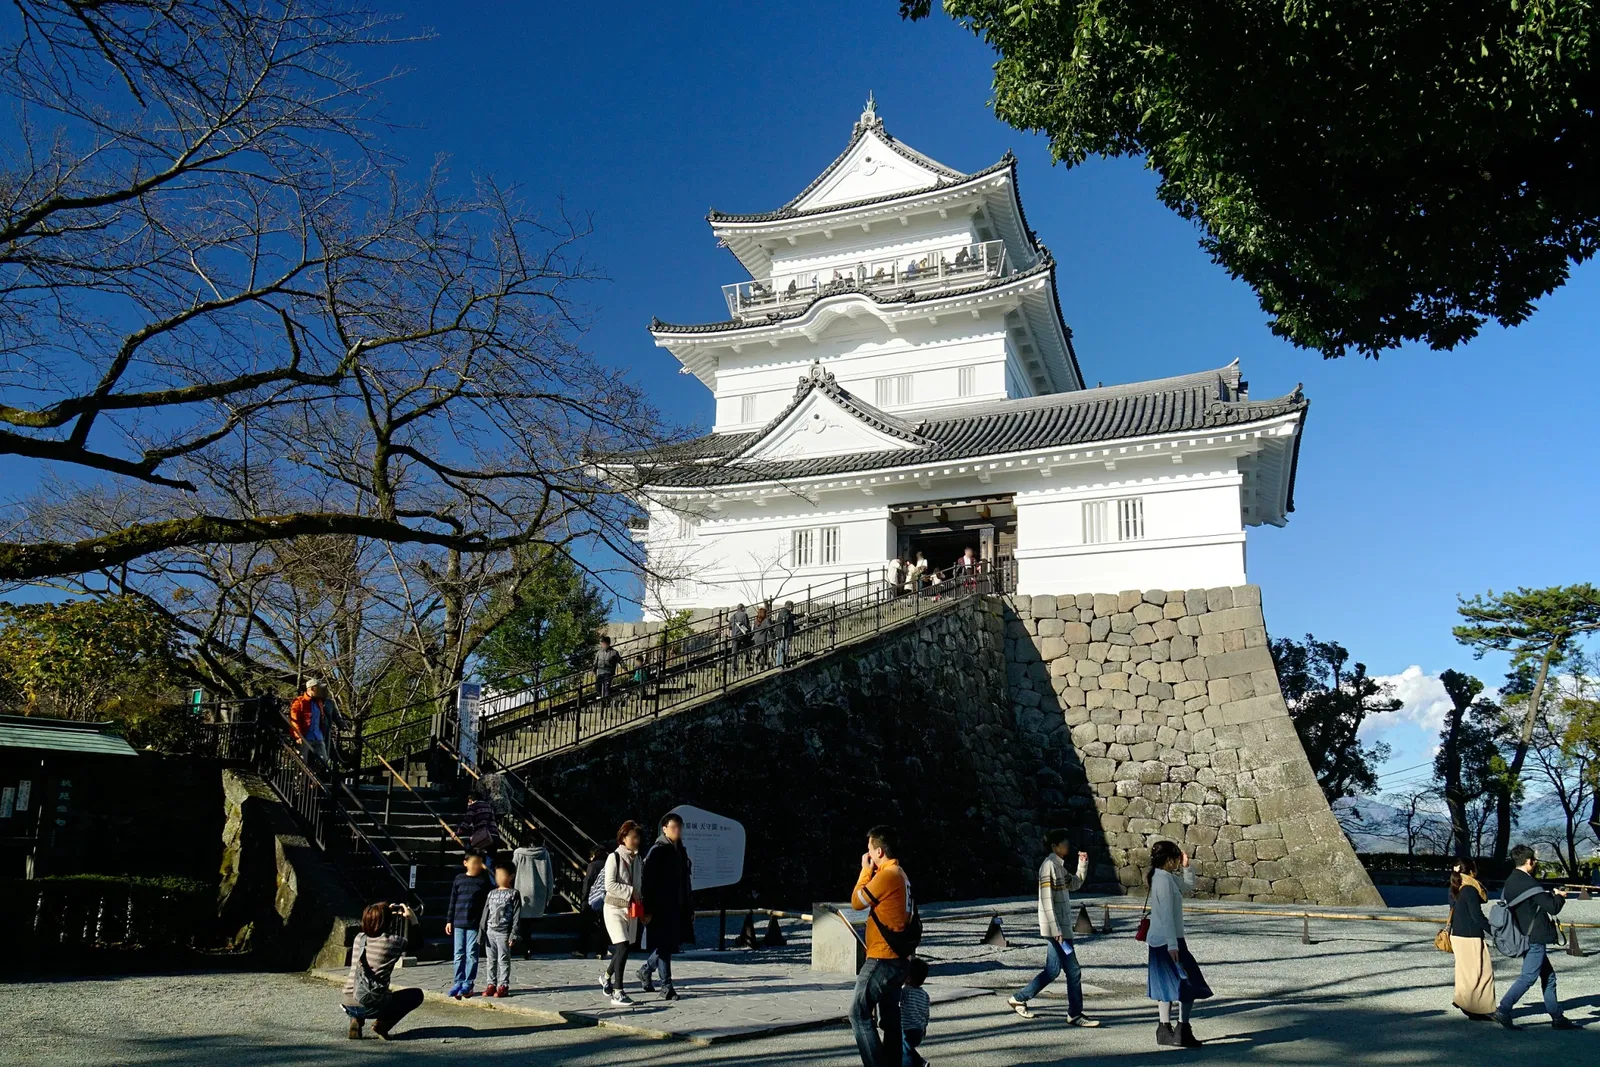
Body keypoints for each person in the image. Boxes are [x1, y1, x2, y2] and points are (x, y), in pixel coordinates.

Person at [1007, 829, 1099, 1026]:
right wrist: (1056, 929)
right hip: (1057, 930)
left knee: (1052, 970)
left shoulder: (1058, 866)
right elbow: (1046, 901)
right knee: (1073, 971)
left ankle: (1019, 997)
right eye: (1063, 843)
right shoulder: (1048, 866)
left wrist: (1082, 864)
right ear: (1054, 846)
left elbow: (1074, 884)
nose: (1067, 845)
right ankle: (1075, 1013)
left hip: (1059, 929)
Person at [849, 824, 913, 1067]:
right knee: (890, 1019)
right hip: (898, 957)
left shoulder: (887, 875)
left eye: (869, 849)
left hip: (882, 957)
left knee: (858, 1012)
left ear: (878, 852)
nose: (867, 855)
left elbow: (857, 901)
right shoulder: (901, 874)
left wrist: (865, 872)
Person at [1494, 843, 1576, 1029]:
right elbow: (1552, 907)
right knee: (1529, 976)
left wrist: (1548, 895)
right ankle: (1504, 1009)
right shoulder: (1530, 883)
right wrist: (1560, 896)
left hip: (1522, 934)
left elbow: (1530, 903)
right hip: (1535, 937)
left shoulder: (1511, 881)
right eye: (1534, 861)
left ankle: (1557, 1016)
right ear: (1529, 861)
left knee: (1549, 976)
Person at [1145, 839, 1210, 1049]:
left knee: (1164, 985)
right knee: (1187, 984)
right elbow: (1166, 916)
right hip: (1170, 941)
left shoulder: (1163, 877)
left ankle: (1164, 1028)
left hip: (1159, 941)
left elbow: (1188, 886)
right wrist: (1173, 944)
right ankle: (1183, 1029)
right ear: (1168, 859)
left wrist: (1187, 867)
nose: (1176, 863)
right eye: (1175, 859)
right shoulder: (1163, 880)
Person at [342, 901, 422, 1040]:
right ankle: (382, 1025)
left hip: (348, 1002)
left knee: (359, 986)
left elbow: (377, 933)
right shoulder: (393, 943)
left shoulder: (359, 938)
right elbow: (418, 943)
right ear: (387, 922)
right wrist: (412, 919)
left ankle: (356, 1021)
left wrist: (383, 914)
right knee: (416, 995)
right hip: (371, 1005)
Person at [638, 812, 695, 1001]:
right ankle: (666, 986)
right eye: (673, 827)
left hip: (677, 906)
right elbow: (647, 882)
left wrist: (689, 906)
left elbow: (686, 881)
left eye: (679, 827)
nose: (677, 830)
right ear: (664, 829)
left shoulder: (681, 850)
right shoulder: (658, 850)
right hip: (660, 906)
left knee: (669, 945)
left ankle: (646, 970)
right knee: (664, 944)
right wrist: (647, 908)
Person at [601, 820, 647, 1007]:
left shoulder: (637, 859)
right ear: (624, 838)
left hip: (631, 909)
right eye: (633, 837)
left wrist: (642, 905)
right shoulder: (614, 857)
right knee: (623, 946)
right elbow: (609, 885)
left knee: (624, 947)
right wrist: (630, 891)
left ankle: (606, 977)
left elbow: (639, 886)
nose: (636, 841)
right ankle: (618, 992)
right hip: (613, 908)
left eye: (638, 837)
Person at [1448, 857, 1495, 1020]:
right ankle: (1477, 1007)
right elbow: (1477, 916)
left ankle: (1465, 1002)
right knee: (1483, 972)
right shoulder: (1469, 888)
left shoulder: (1455, 886)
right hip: (1470, 936)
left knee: (1465, 973)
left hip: (1457, 935)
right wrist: (1494, 931)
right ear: (1471, 871)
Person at [445, 850, 491, 999]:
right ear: (465, 863)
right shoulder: (458, 879)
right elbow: (452, 901)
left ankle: (468, 983)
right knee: (458, 954)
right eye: (474, 862)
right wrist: (449, 920)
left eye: (479, 863)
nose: (476, 866)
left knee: (472, 953)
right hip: (458, 921)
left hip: (474, 923)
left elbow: (490, 896)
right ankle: (458, 981)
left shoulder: (483, 881)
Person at [479, 859, 519, 998]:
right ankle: (491, 984)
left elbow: (516, 915)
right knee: (491, 960)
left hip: (504, 933)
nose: (498, 878)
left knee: (503, 959)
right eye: (497, 875)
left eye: (502, 875)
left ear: (511, 877)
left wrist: (513, 933)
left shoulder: (513, 894)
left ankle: (503, 985)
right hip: (490, 931)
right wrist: (481, 931)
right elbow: (486, 912)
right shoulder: (491, 893)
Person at [288, 677, 337, 768]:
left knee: (324, 760)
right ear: (312, 689)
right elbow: (294, 720)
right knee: (302, 762)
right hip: (305, 737)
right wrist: (298, 736)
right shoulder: (299, 701)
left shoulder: (319, 702)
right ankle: (300, 781)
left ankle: (313, 778)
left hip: (318, 736)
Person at [576, 846, 608, 960]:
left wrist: (584, 898)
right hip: (606, 898)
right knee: (603, 926)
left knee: (586, 925)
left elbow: (587, 882)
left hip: (593, 898)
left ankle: (582, 950)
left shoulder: (593, 866)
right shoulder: (609, 863)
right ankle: (601, 951)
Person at [900, 955, 931, 1067]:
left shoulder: (905, 992)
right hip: (919, 1030)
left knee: (903, 1049)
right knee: (906, 1048)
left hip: (907, 1029)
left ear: (908, 978)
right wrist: (924, 1027)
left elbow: (895, 1004)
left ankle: (918, 1063)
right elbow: (926, 1014)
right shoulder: (924, 995)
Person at [458, 790, 500, 859]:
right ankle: (487, 869)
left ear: (470, 800)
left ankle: (472, 865)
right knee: (490, 859)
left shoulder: (473, 806)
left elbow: (466, 822)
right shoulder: (489, 806)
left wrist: (457, 833)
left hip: (483, 836)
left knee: (469, 849)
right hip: (494, 835)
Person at [593, 636, 623, 704]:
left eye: (603, 643)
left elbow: (620, 661)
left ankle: (606, 701)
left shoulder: (614, 652)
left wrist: (624, 667)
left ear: (607, 643)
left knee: (606, 687)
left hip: (609, 672)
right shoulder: (599, 652)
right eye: (601, 643)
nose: (602, 645)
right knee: (597, 687)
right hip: (600, 672)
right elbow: (595, 662)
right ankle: (603, 698)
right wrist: (594, 670)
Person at [774, 600, 796, 667]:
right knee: (783, 649)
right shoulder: (784, 611)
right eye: (793, 606)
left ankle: (780, 663)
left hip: (783, 633)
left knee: (782, 649)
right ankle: (781, 663)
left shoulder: (785, 611)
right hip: (782, 634)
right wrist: (796, 616)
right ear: (790, 607)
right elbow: (787, 618)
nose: (793, 608)